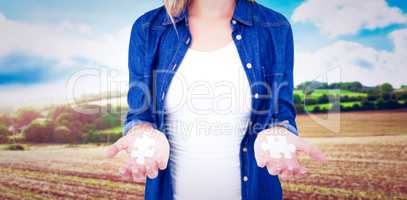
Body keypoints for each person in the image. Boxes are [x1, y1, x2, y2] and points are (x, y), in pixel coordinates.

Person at [106, 0, 326, 199]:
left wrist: (280, 133)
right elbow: (140, 114)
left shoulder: (275, 28)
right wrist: (143, 133)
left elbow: (281, 114)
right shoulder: (148, 28)